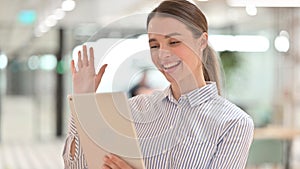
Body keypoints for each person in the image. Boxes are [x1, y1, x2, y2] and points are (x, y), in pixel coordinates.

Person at [62, 0, 254, 168]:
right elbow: (77, 166)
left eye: (174, 42)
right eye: (154, 45)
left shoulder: (234, 123)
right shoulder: (135, 110)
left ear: (202, 41)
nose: (162, 54)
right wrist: (83, 102)